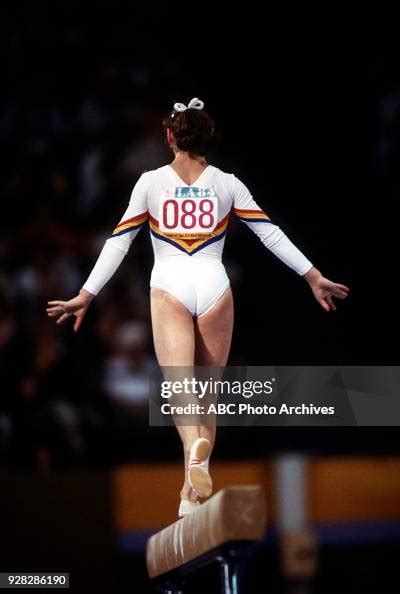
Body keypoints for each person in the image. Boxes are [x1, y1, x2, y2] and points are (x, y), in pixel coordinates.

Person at [46, 97, 350, 517]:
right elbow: (270, 234)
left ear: (169, 136)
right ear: (209, 136)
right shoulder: (228, 183)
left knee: (178, 386)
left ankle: (192, 455)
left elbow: (119, 242)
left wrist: (87, 293)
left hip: (169, 284)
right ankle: (192, 488)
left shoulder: (150, 183)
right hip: (215, 286)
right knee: (205, 393)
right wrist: (312, 274)